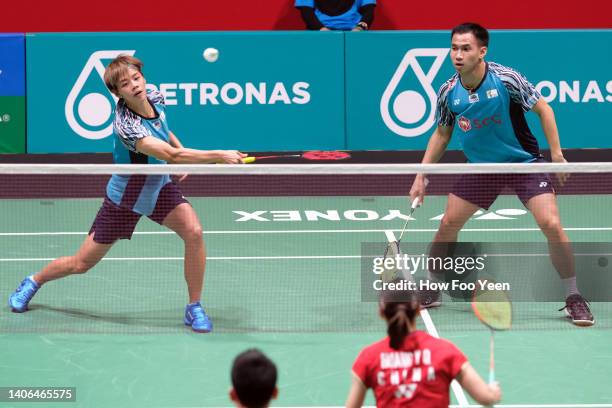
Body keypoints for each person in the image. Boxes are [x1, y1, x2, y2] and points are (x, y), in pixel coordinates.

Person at [8, 55, 247, 333]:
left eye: (136, 78)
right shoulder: (126, 126)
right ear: (116, 92)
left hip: (158, 187)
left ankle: (194, 307)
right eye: (125, 83)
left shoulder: (155, 95)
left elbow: (166, 133)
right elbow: (170, 153)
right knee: (81, 263)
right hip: (125, 198)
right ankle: (34, 281)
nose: (134, 85)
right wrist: (216, 155)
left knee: (193, 232)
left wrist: (176, 157)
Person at [409, 22, 594, 326]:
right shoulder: (447, 91)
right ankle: (431, 287)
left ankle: (574, 296)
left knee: (550, 223)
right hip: (482, 168)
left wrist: (557, 154)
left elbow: (544, 109)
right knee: (447, 224)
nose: (458, 54)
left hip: (523, 164)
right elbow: (442, 134)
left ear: (482, 51)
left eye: (465, 48)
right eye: (454, 47)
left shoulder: (505, 79)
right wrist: (421, 175)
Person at [346, 287, 501, 407]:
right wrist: (493, 392)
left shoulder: (369, 357)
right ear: (418, 310)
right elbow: (486, 398)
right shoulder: (445, 351)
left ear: (381, 313)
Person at [295, 0, 375, 31]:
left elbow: (369, 11)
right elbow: (306, 11)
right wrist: (321, 29)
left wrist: (359, 28)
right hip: (318, 34)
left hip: (354, 34)